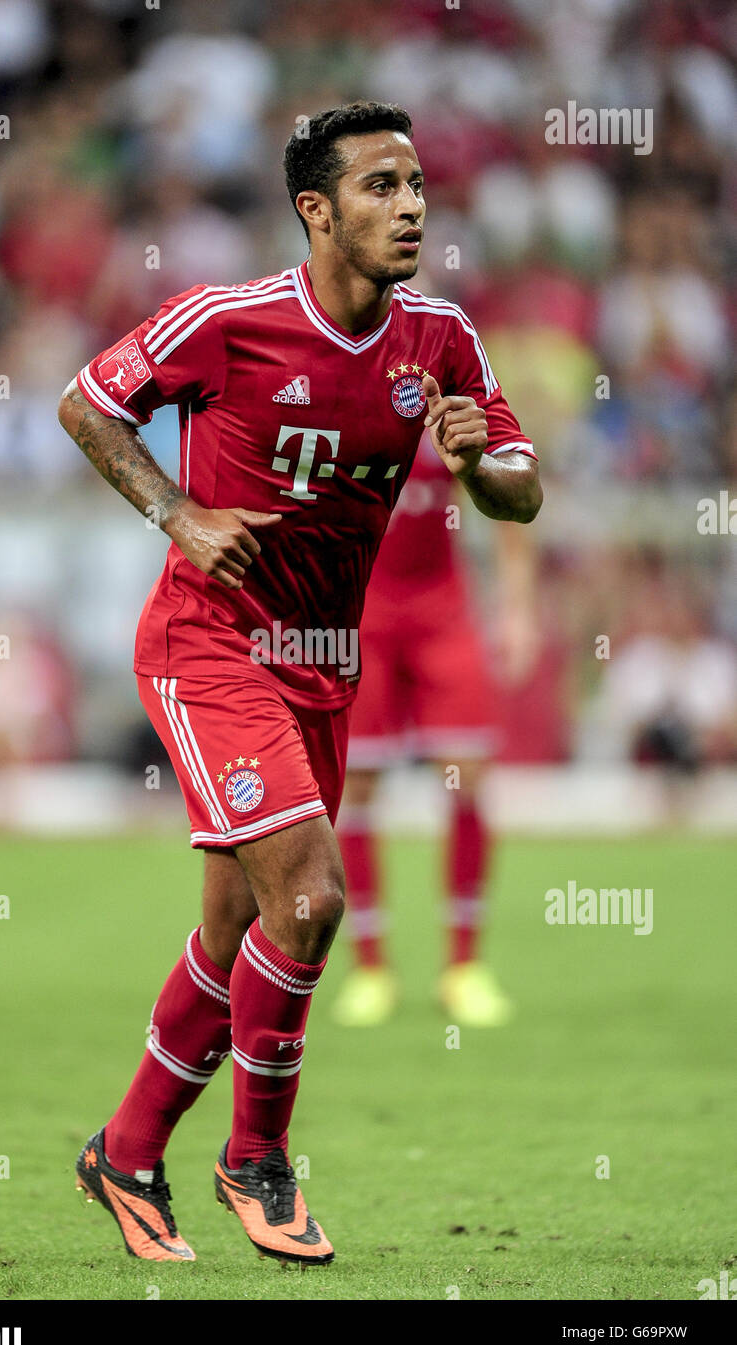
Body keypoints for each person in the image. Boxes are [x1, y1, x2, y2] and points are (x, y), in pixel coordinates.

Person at [58, 101, 541, 1268]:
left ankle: (124, 1151)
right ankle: (256, 1159)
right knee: (312, 898)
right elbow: (85, 403)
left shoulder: (441, 341)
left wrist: (484, 469)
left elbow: (522, 488)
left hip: (324, 666)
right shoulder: (228, 322)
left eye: (417, 183)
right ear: (315, 211)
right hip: (207, 642)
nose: (413, 205)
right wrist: (179, 511)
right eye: (381, 187)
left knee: (239, 927)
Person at [333, 430, 539, 1028]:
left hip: (443, 610)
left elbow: (508, 497)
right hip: (360, 609)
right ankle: (371, 969)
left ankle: (463, 967)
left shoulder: (443, 396)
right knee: (358, 784)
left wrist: (517, 608)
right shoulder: (345, 389)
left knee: (466, 779)